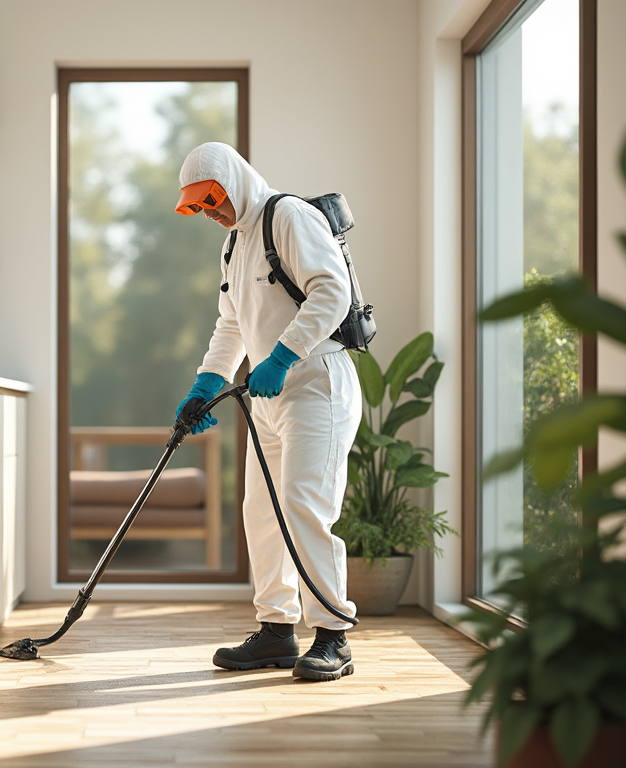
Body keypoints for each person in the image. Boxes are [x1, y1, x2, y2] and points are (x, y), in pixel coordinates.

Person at [173, 142, 361, 682]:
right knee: (261, 511)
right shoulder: (234, 244)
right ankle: (277, 630)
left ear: (235, 182)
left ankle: (333, 636)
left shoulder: (288, 216)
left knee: (304, 505)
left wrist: (281, 354)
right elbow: (231, 323)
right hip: (267, 396)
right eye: (200, 208)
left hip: (316, 385)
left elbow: (333, 293)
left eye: (214, 201)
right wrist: (205, 383)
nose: (211, 214)